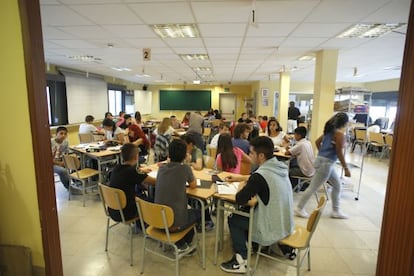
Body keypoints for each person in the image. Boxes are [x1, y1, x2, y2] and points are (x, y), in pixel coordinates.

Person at [220, 136, 294, 273]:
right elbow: (259, 178)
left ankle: (241, 260)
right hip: (285, 222)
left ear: (261, 156)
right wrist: (242, 177)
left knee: (234, 218)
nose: (249, 155)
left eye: (251, 153)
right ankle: (251, 244)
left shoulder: (260, 176)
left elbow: (240, 198)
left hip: (270, 226)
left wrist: (242, 184)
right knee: (248, 210)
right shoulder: (279, 167)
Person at [295, 112, 351, 219]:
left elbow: (317, 142)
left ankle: (336, 210)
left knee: (337, 185)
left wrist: (322, 153)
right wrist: (346, 168)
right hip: (326, 164)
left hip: (322, 161)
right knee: (313, 187)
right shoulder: (340, 135)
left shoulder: (329, 132)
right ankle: (299, 208)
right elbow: (339, 153)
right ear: (344, 123)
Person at [154, 139, 200, 253]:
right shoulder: (185, 168)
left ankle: (178, 242)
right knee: (198, 213)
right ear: (185, 155)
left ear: (168, 154)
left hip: (157, 219)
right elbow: (193, 185)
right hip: (174, 224)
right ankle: (182, 244)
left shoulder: (161, 168)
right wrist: (187, 163)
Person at [108, 143, 155, 223]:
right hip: (127, 213)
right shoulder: (132, 172)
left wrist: (140, 171)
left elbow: (133, 174)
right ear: (136, 156)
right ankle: (150, 223)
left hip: (113, 209)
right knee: (152, 201)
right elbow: (155, 182)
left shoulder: (116, 168)